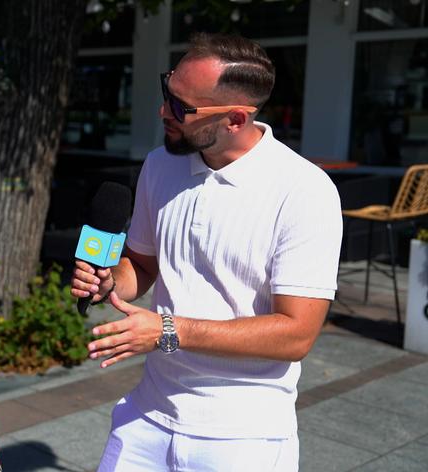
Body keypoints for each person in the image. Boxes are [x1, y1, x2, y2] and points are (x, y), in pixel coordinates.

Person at [71, 33, 342, 471]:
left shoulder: (304, 190)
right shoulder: (160, 164)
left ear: (235, 118)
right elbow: (142, 265)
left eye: (180, 107)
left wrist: (167, 330)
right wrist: (110, 281)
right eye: (167, 91)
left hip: (243, 436)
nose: (163, 111)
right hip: (147, 414)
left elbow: (297, 334)